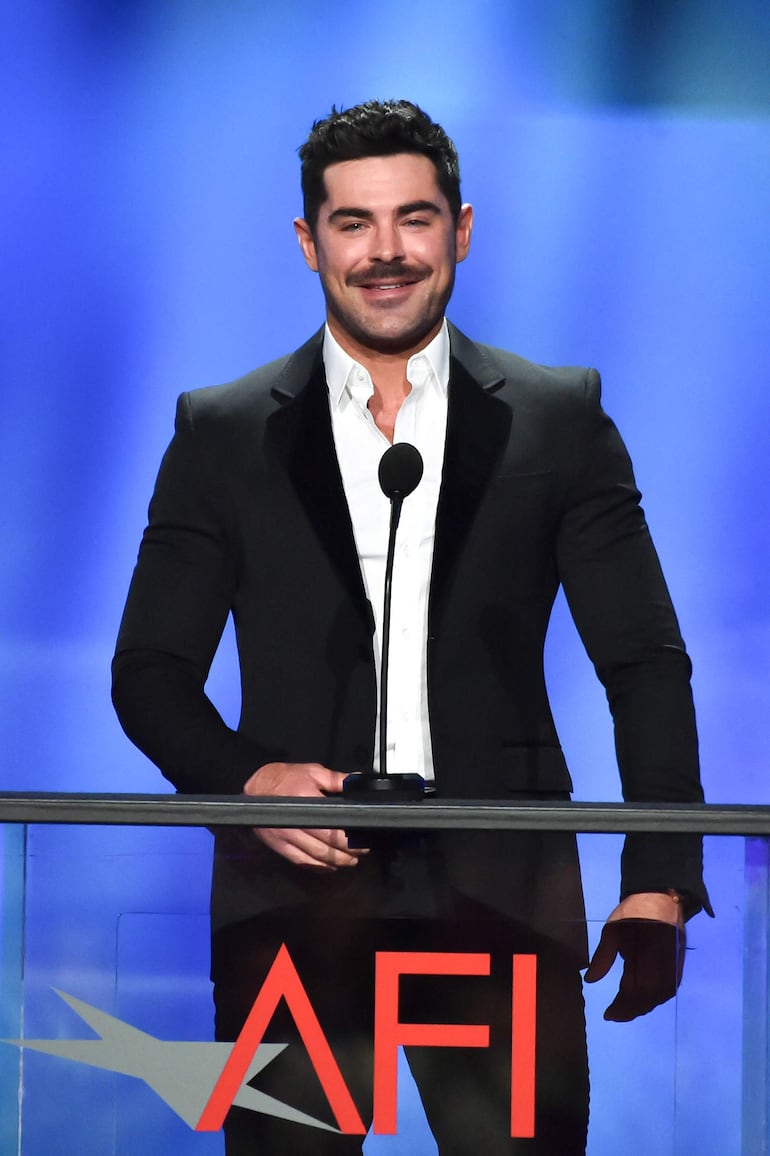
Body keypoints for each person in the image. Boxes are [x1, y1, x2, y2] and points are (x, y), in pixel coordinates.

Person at [112, 100, 711, 1154]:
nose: (385, 252)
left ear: (461, 230)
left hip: (503, 894)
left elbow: (642, 661)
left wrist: (656, 873)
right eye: (353, 223)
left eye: (414, 219)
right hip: (293, 903)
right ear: (308, 242)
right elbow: (150, 669)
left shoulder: (556, 416)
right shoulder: (222, 431)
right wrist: (245, 780)